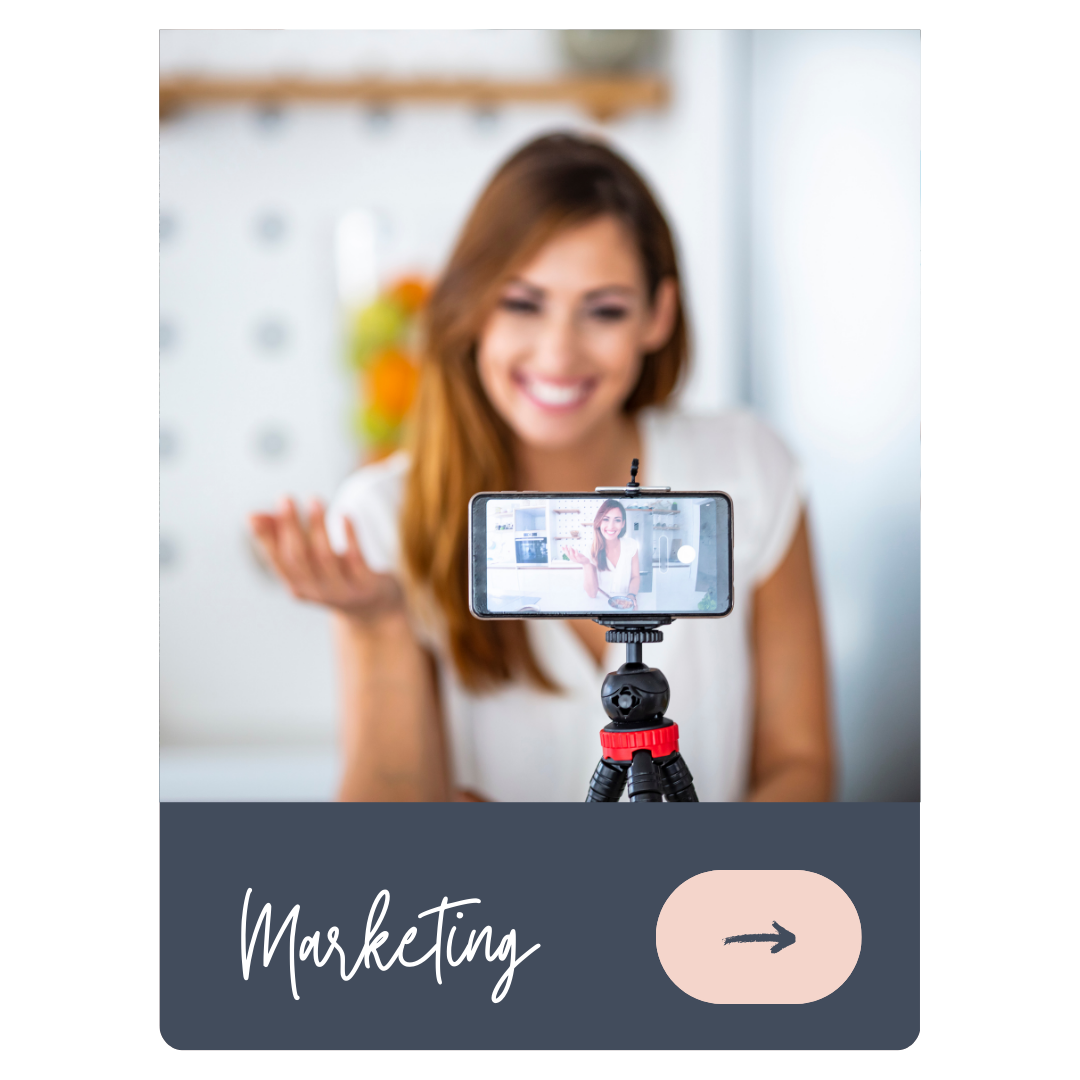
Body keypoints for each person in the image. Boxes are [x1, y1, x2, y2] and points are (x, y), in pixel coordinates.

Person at [249, 132, 832, 803]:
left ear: (658, 315)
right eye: (522, 303)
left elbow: (801, 766)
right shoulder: (382, 517)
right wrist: (378, 624)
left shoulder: (747, 468)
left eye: (604, 310)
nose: (558, 353)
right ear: (471, 307)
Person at [565, 499, 640, 609]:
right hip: (600, 607)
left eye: (617, 520)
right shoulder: (590, 550)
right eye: (606, 519)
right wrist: (586, 564)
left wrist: (631, 596)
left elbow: (635, 577)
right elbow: (592, 593)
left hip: (625, 606)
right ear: (599, 522)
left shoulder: (631, 545)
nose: (611, 526)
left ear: (623, 523)